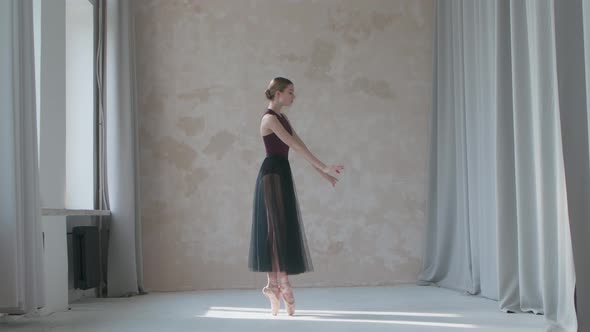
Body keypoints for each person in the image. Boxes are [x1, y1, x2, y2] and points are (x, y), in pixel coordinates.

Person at [248, 77, 344, 316]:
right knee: (275, 229)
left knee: (279, 228)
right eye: (290, 92)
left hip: (281, 173)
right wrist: (323, 168)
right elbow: (295, 146)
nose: (294, 96)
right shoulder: (269, 119)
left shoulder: (283, 118)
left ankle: (274, 285)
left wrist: (325, 174)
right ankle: (279, 284)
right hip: (271, 175)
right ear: (278, 94)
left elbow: (301, 146)